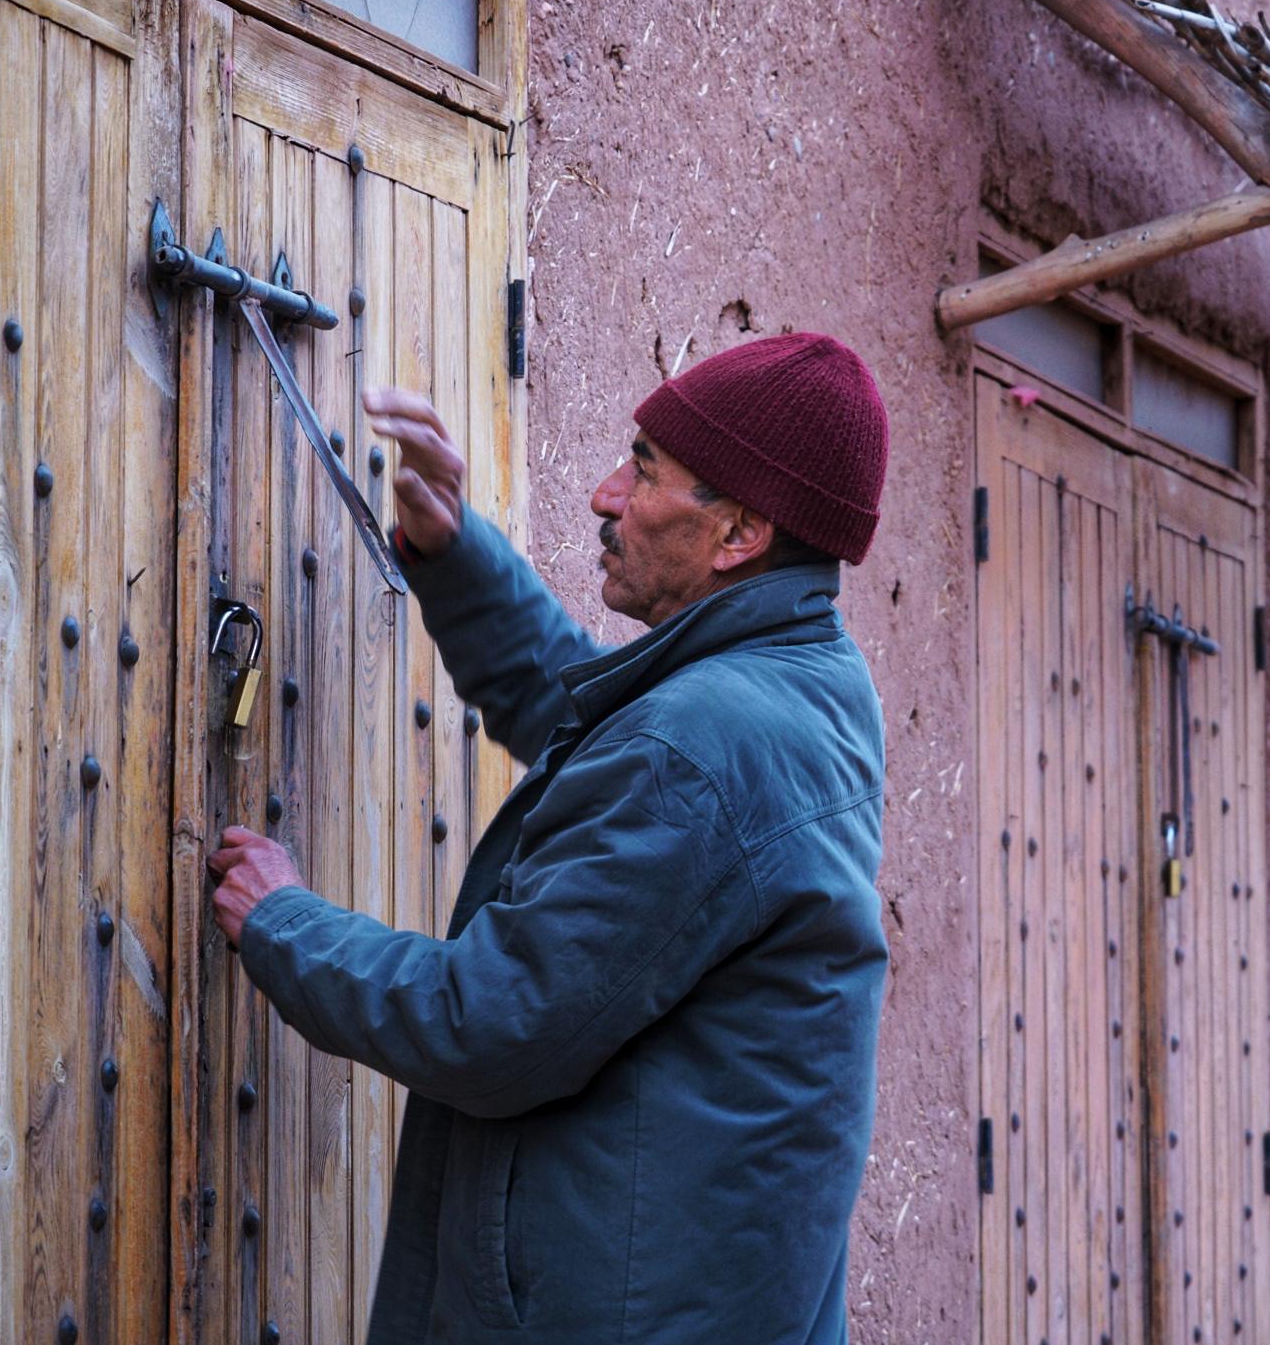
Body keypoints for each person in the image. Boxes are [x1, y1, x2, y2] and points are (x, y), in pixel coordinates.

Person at [207, 331, 891, 1344]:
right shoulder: (808, 684)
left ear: (739, 532)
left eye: (645, 472)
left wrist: (285, 923)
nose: (605, 495)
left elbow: (494, 1019)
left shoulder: (706, 742)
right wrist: (453, 548)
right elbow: (603, 735)